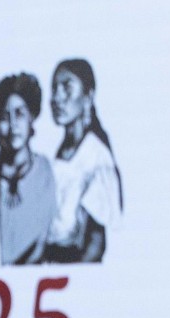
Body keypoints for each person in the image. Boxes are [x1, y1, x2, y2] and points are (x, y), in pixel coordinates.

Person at [46, 58, 123, 263]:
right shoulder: (59, 155)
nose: (57, 98)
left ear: (88, 97)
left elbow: (95, 245)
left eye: (67, 88)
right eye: (54, 89)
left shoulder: (96, 157)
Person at [0, 72, 57, 265]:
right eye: (4, 117)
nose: (13, 125)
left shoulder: (47, 171)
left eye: (19, 114)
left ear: (31, 118)